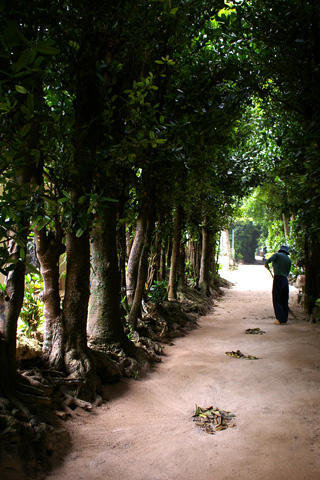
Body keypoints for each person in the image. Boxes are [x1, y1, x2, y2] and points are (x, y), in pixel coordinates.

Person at [264, 245, 291, 324]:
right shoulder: (289, 260)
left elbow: (267, 261)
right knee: (284, 299)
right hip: (285, 281)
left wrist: (267, 266)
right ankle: (284, 319)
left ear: (280, 251)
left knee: (277, 298)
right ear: (286, 252)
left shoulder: (277, 255)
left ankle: (279, 319)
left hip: (278, 279)